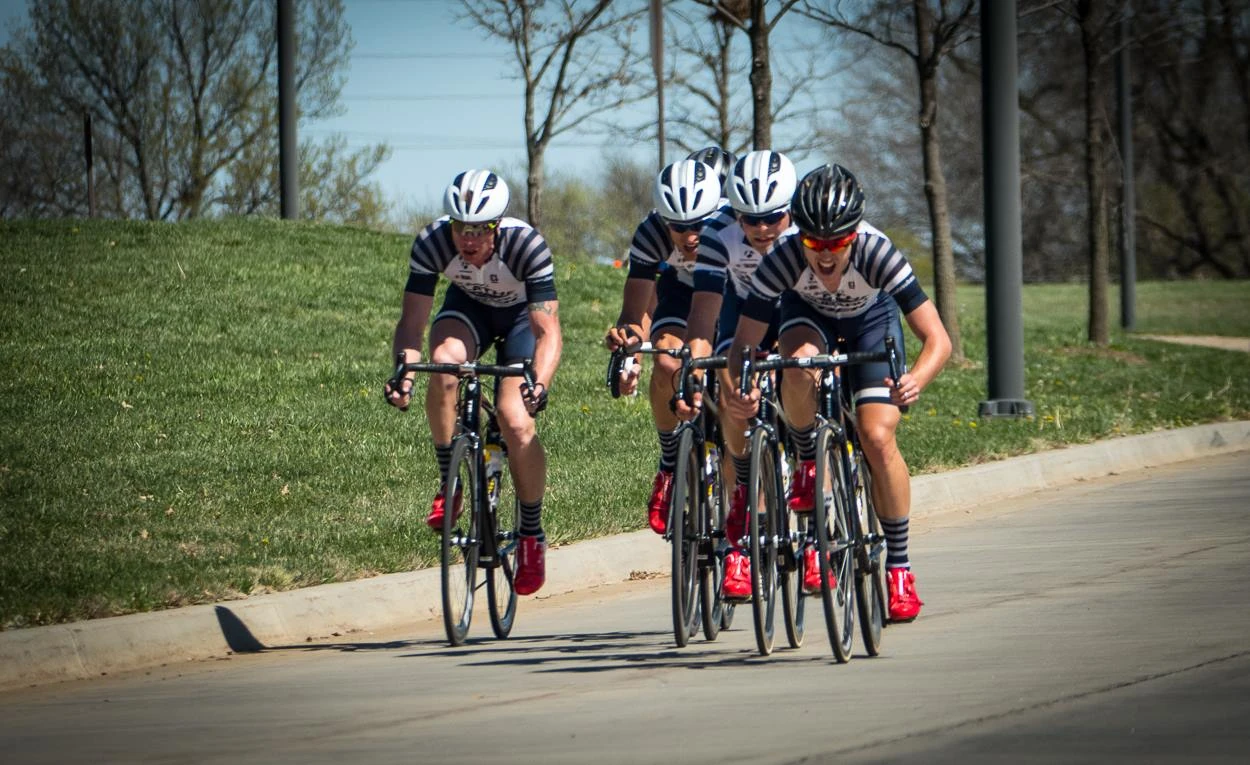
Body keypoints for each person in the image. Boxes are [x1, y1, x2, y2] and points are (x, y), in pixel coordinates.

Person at [724, 163, 951, 621]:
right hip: (808, 316)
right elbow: (745, 343)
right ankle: (809, 459)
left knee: (877, 437)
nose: (824, 255)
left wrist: (915, 380)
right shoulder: (783, 259)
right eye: (814, 243)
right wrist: (742, 387)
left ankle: (900, 569)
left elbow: (939, 340)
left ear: (854, 235)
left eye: (836, 243)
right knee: (799, 365)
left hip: (871, 322)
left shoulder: (878, 253)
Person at [383, 169, 562, 597]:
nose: (468, 238)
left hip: (521, 320)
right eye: (460, 227)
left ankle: (532, 535)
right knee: (443, 363)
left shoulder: (526, 245)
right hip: (468, 311)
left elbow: (547, 331)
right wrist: (403, 373)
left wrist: (538, 383)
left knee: (515, 421)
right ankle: (451, 482)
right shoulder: (432, 243)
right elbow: (413, 323)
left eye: (479, 229)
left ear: (497, 225)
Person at [679, 149, 799, 602]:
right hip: (744, 313)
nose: (763, 229)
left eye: (773, 217)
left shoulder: (808, 235)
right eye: (751, 219)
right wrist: (695, 368)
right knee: (732, 390)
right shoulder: (718, 236)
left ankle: (816, 475)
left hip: (797, 309)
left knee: (805, 375)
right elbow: (704, 312)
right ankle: (742, 506)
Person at [604, 158, 726, 534]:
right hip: (682, 293)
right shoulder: (650, 233)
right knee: (668, 360)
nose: (690, 236)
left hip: (731, 293)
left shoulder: (732, 226)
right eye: (679, 227)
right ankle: (669, 463)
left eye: (699, 225)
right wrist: (628, 346)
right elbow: (635, 309)